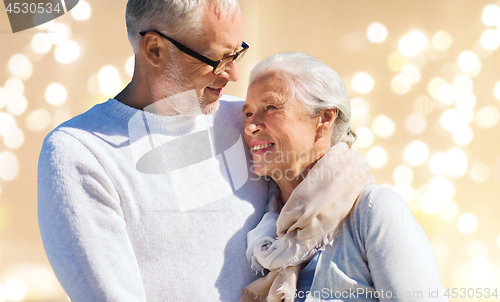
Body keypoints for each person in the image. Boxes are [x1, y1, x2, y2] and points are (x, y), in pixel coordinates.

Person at [38, 1, 270, 301]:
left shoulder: (248, 120)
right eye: (217, 59)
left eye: (237, 53)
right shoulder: (81, 151)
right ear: (154, 49)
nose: (233, 74)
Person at [239, 52, 447, 302]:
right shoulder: (262, 227)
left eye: (271, 107)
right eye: (248, 114)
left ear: (325, 118)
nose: (251, 126)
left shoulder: (374, 210)